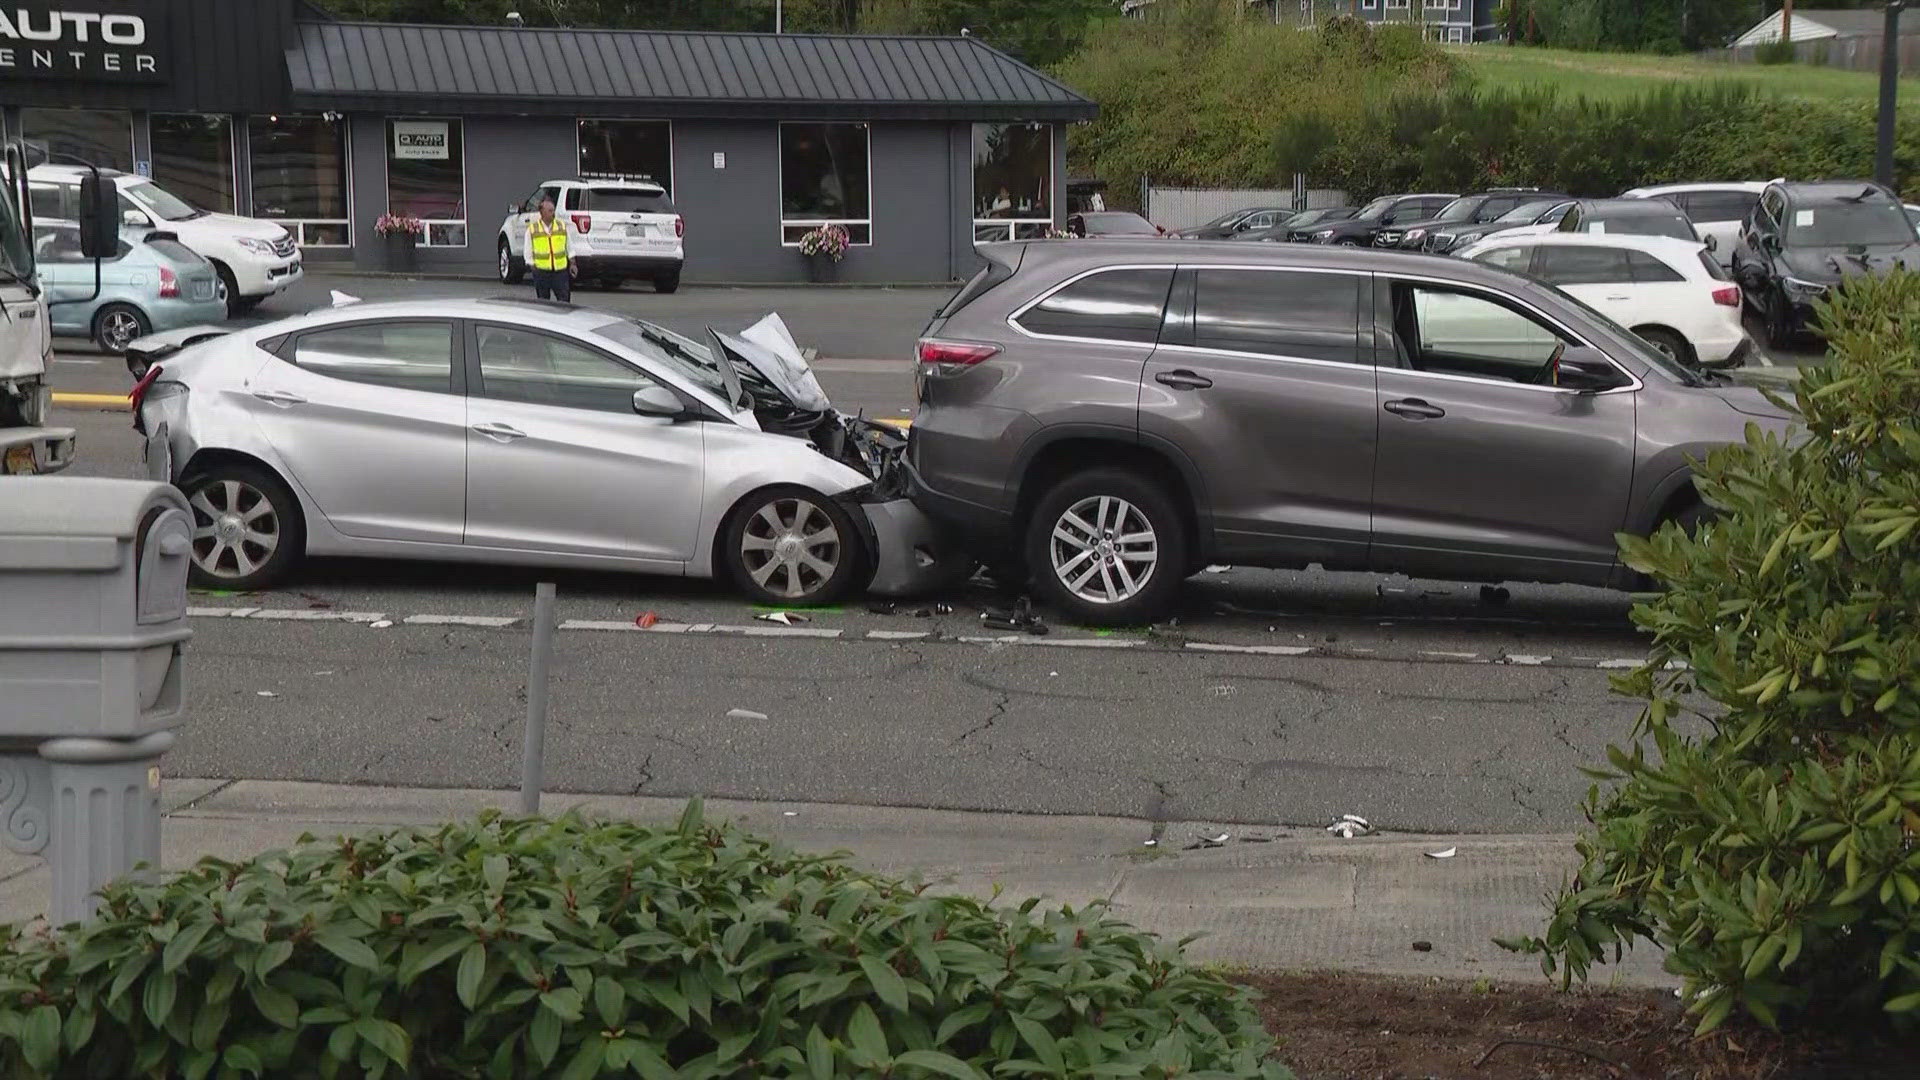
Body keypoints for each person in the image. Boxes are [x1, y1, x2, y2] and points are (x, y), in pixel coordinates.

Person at [526, 197, 572, 302]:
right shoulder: (533, 229)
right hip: (541, 271)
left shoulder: (561, 226)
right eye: (550, 211)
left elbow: (569, 245)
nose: (553, 213)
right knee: (543, 302)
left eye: (553, 210)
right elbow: (528, 249)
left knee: (564, 301)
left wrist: (572, 263)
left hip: (560, 271)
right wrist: (532, 265)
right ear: (542, 213)